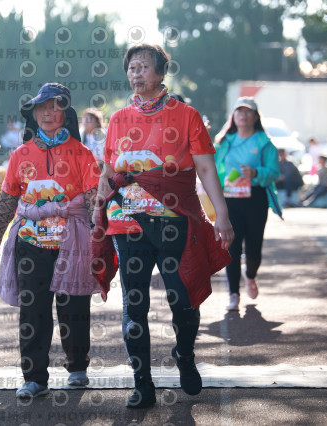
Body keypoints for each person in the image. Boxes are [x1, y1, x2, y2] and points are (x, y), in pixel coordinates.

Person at [93, 44, 234, 408]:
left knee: (183, 300)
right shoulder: (118, 119)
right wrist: (98, 209)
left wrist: (221, 214)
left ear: (160, 72)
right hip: (127, 225)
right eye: (131, 67)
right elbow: (109, 172)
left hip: (174, 223)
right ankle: (142, 384)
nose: (135, 73)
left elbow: (205, 168)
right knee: (134, 305)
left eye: (143, 66)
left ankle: (184, 353)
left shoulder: (187, 116)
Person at [0, 83, 101, 399]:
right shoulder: (20, 154)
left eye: (54, 107)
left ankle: (77, 367)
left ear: (66, 113)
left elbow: (95, 200)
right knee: (33, 311)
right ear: (34, 113)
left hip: (72, 244)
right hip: (30, 244)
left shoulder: (83, 154)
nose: (48, 113)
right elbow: (7, 200)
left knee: (74, 307)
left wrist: (102, 239)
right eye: (42, 108)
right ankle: (34, 378)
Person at [214, 96, 282, 311]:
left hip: (255, 200)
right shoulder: (224, 141)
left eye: (247, 111)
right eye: (239, 111)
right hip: (230, 201)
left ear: (255, 116)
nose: (243, 115)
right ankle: (233, 294)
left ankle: (250, 275)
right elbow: (212, 170)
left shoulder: (264, 143)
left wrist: (255, 172)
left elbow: (274, 173)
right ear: (233, 116)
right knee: (231, 247)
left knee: (254, 248)